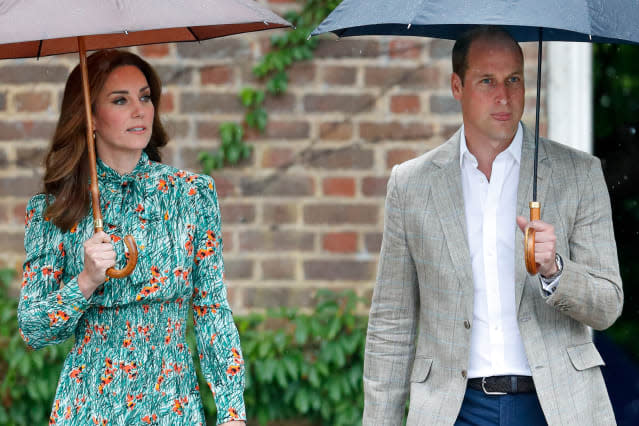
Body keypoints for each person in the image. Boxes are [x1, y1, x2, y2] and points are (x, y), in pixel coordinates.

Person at [362, 26, 623, 425]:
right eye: (487, 81)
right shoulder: (412, 185)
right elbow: (391, 325)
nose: (504, 96)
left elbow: (608, 304)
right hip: (455, 409)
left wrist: (555, 271)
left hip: (555, 406)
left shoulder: (579, 174)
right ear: (457, 86)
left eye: (513, 79)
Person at [17, 50, 245, 426]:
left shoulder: (191, 195)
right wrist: (85, 282)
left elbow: (212, 311)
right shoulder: (54, 211)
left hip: (172, 405)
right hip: (89, 407)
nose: (139, 110)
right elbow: (33, 329)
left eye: (145, 96)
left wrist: (232, 410)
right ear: (89, 117)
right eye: (120, 100)